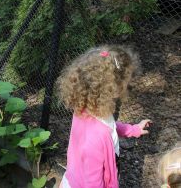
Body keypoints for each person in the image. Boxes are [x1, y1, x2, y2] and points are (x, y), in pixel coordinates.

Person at [57, 46, 152, 188]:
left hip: (74, 178)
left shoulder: (85, 110)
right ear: (113, 90)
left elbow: (110, 126)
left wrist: (133, 129)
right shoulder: (96, 139)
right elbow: (94, 184)